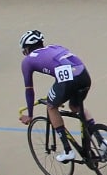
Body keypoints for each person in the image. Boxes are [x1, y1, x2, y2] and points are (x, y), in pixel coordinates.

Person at [18, 29, 93, 163]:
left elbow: (29, 90)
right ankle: (101, 140)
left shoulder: (27, 61)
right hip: (84, 75)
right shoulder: (55, 47)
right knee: (75, 106)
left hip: (67, 80)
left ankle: (68, 150)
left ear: (27, 49)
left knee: (51, 107)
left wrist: (30, 115)